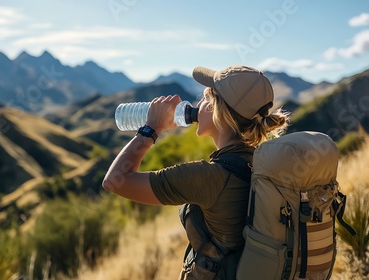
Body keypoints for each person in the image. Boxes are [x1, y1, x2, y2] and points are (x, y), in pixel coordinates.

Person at [102, 65, 289, 279]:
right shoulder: (260, 164)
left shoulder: (209, 177)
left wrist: (151, 129)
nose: (199, 104)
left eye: (207, 97)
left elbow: (115, 181)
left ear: (219, 110)